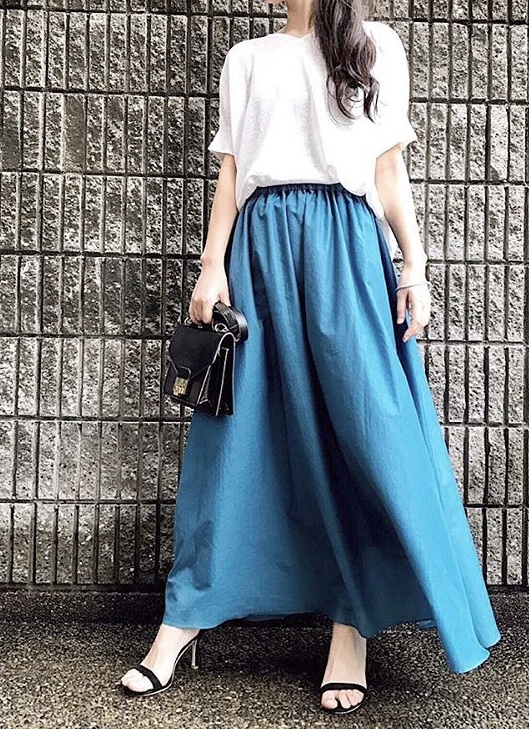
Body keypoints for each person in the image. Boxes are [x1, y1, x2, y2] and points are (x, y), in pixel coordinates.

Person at [118, 0, 500, 716]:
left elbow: (387, 169)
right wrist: (211, 265)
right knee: (235, 438)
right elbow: (232, 170)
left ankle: (350, 628)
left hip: (346, 251)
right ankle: (183, 619)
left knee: (364, 435)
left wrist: (414, 267)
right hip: (260, 251)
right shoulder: (247, 59)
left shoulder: (373, 44)